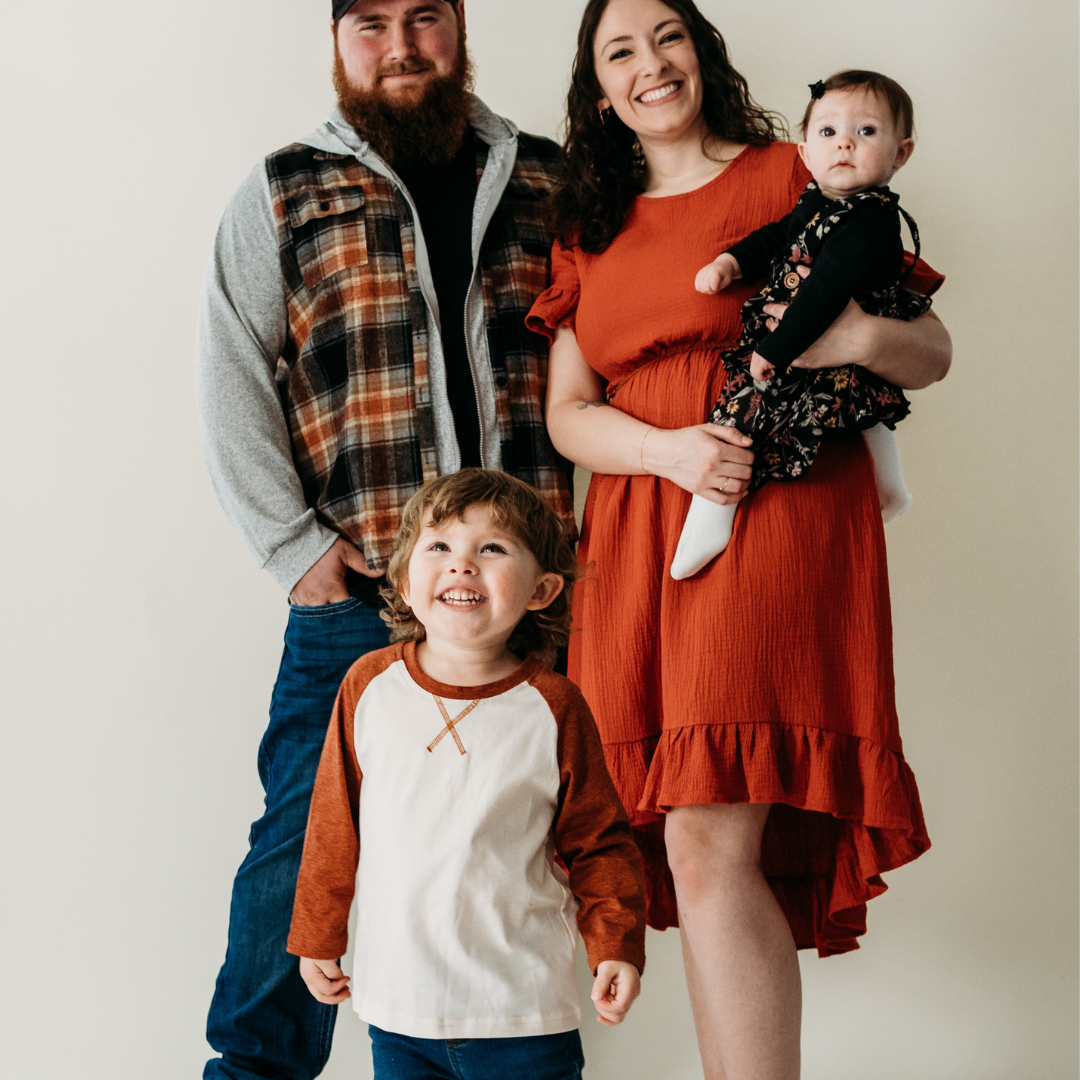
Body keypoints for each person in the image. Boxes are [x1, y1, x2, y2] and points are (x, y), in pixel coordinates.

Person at [527, 1, 951, 1077]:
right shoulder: (590, 222)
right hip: (640, 518)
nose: (648, 65)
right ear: (598, 85)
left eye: (665, 37)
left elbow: (930, 350)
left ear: (701, 52)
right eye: (618, 51)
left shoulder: (791, 172)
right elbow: (568, 413)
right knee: (685, 835)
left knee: (710, 832)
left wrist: (843, 335)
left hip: (774, 508)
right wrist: (668, 454)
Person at [195, 3, 573, 1077]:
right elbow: (229, 367)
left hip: (523, 607)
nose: (399, 44)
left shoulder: (549, 181)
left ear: (459, 28)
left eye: (424, 17)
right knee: (293, 863)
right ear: (339, 40)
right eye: (370, 21)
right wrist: (292, 551)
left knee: (519, 857)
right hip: (356, 601)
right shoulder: (285, 190)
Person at [287, 468, 646, 1080]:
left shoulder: (555, 705)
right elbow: (331, 823)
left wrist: (617, 941)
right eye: (440, 546)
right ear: (404, 578)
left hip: (524, 1013)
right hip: (400, 1012)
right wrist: (316, 934)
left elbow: (599, 840)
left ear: (542, 589)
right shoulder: (368, 687)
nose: (462, 565)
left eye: (493, 548)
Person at [673, 69, 935, 578]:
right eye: (828, 132)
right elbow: (776, 238)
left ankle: (712, 515)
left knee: (745, 411)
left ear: (901, 154)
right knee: (863, 406)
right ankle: (892, 488)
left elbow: (826, 290)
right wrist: (730, 261)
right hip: (817, 337)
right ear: (804, 152)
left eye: (866, 132)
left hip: (817, 332)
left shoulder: (871, 219)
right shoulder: (817, 202)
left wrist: (777, 350)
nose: (844, 145)